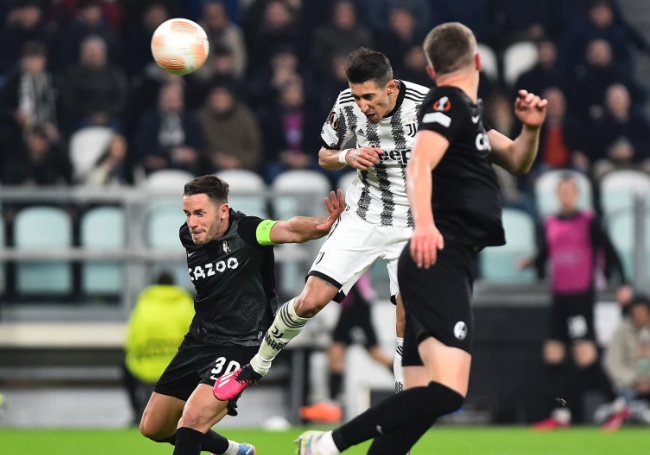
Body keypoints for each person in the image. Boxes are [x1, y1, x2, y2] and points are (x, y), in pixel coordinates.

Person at [293, 22, 548, 454]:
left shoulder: (464, 112)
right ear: (479, 62)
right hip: (439, 257)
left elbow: (516, 161)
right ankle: (329, 443)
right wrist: (427, 225)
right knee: (447, 393)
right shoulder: (447, 104)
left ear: (430, 70)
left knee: (418, 404)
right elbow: (420, 164)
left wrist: (532, 130)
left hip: (442, 259)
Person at [213, 47, 431, 401]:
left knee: (407, 318)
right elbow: (324, 155)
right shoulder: (346, 104)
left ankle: (402, 410)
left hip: (413, 223)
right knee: (310, 301)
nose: (362, 105)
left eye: (369, 97)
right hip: (363, 215)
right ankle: (256, 366)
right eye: (357, 96)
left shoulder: (427, 105)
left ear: (391, 87)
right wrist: (348, 154)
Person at [138, 175, 345, 455]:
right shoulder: (189, 236)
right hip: (199, 339)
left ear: (223, 210)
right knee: (154, 427)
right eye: (187, 214)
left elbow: (289, 229)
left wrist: (324, 224)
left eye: (200, 213)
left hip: (241, 343)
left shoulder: (248, 231)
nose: (192, 222)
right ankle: (235, 451)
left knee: (192, 419)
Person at [519, 175, 633, 431]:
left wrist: (623, 282)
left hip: (581, 298)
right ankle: (561, 412)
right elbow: (546, 253)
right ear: (557, 195)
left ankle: (617, 404)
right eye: (562, 192)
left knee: (585, 355)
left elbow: (610, 251)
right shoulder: (550, 223)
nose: (566, 196)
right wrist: (533, 262)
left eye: (570, 191)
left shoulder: (589, 221)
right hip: (559, 298)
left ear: (578, 195)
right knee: (553, 355)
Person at [300, 273, 393, 423]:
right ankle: (332, 402)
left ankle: (405, 378)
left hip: (359, 305)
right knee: (336, 351)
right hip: (349, 305)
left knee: (373, 353)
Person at [124, 271, 195, 425]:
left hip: (146, 364)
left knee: (126, 368)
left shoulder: (144, 304)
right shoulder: (185, 303)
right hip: (177, 365)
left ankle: (138, 413)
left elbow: (133, 339)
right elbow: (195, 336)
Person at [605, 294, 650, 426]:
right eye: (637, 314)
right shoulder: (621, 332)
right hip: (628, 386)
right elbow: (613, 363)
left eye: (644, 313)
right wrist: (635, 380)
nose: (640, 317)